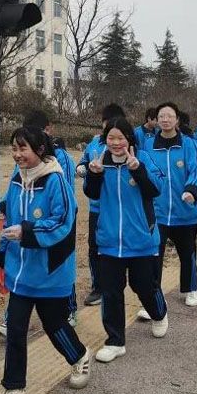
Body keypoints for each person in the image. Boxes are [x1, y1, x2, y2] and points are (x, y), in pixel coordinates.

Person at [0, 127, 91, 394]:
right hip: (21, 270)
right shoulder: (17, 178)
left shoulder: (56, 180)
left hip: (49, 270)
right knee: (16, 329)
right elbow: (11, 213)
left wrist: (27, 230)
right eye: (15, 148)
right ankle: (13, 388)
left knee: (55, 324)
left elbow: (62, 221)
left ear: (40, 150)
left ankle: (80, 355)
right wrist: (1, 253)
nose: (18, 154)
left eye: (24, 149)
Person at [84, 117, 168, 363]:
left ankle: (159, 313)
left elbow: (156, 189)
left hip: (140, 238)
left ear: (129, 139)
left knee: (143, 285)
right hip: (110, 239)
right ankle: (115, 340)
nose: (116, 143)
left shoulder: (142, 159)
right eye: (111, 138)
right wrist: (94, 174)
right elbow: (91, 193)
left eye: (121, 138)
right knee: (111, 291)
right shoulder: (100, 161)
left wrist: (137, 169)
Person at [141, 102, 197, 306]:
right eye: (161, 116)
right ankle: (153, 298)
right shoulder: (148, 146)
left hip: (184, 210)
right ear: (156, 120)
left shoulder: (188, 144)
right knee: (154, 256)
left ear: (177, 119)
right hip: (157, 212)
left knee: (187, 253)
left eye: (169, 116)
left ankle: (191, 288)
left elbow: (196, 170)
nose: (165, 120)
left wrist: (191, 190)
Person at [22, 110, 78, 325]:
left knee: (61, 263)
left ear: (48, 130)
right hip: (33, 222)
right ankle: (13, 318)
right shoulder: (25, 162)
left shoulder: (61, 158)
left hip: (61, 219)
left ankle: (70, 308)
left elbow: (65, 193)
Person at [76, 103, 126, 307]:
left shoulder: (129, 145)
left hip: (121, 208)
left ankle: (118, 284)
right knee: (94, 247)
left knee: (118, 247)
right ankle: (98, 287)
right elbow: (82, 162)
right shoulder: (95, 143)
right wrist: (82, 168)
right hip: (97, 207)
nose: (110, 134)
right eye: (106, 126)